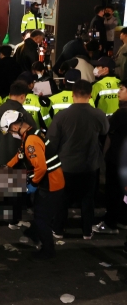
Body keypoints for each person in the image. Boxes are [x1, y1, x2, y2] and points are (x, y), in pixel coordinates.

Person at [0, 110, 65, 260]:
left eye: (10, 131)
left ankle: (48, 250)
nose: (11, 134)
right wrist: (6, 167)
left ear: (15, 127)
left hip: (50, 184)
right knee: (41, 213)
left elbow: (41, 167)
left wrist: (33, 184)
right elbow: (20, 154)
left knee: (42, 217)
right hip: (53, 180)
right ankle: (34, 233)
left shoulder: (31, 141)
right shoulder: (32, 133)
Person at [49, 80, 109, 239]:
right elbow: (105, 130)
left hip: (66, 164)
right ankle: (87, 231)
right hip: (90, 164)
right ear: (90, 95)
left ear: (72, 95)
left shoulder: (62, 116)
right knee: (88, 199)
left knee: (63, 198)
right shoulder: (98, 114)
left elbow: (52, 141)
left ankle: (58, 230)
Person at [0, 81, 37, 228]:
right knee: (16, 191)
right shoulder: (24, 115)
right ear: (23, 96)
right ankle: (14, 221)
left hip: (0, 155)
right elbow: (32, 136)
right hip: (18, 157)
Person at [95, 79, 127, 235]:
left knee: (113, 191)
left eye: (122, 89)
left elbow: (106, 128)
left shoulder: (121, 113)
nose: (118, 92)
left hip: (117, 158)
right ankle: (122, 219)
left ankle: (110, 223)